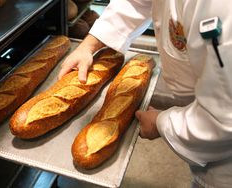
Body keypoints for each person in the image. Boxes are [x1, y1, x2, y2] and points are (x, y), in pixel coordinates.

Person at [58, 0, 232, 187]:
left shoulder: (220, 8)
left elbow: (224, 119)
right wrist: (89, 46)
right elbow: (135, 2)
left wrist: (160, 124)